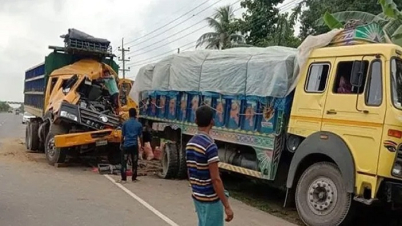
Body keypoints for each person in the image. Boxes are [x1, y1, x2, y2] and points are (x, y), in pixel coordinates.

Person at [186, 106, 234, 226]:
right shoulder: (210, 146)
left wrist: (197, 189)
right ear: (212, 122)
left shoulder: (190, 144)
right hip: (210, 201)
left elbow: (190, 172)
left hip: (197, 197)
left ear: (195, 121)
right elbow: (215, 179)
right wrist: (227, 206)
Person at [119, 108, 143, 183]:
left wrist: (121, 143)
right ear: (135, 114)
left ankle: (123, 179)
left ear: (129, 114)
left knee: (124, 162)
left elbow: (122, 135)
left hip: (126, 145)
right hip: (134, 146)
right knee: (134, 162)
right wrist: (141, 145)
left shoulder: (125, 123)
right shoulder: (139, 124)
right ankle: (134, 178)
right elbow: (141, 136)